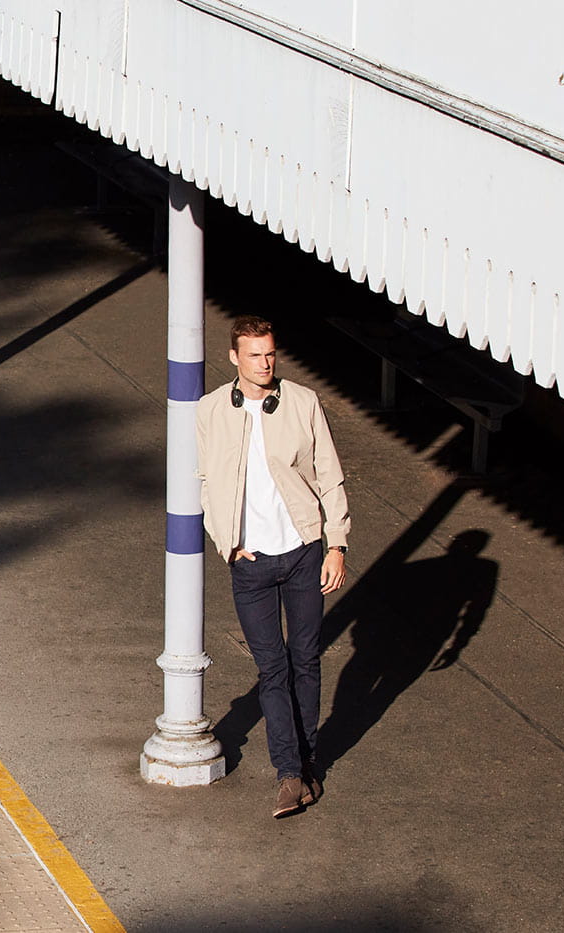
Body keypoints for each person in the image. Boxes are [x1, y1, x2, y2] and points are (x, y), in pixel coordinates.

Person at [196, 316, 351, 819]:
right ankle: (289, 775)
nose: (265, 363)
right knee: (272, 668)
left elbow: (330, 476)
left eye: (270, 353)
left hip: (305, 552)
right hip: (251, 562)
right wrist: (227, 543)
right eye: (255, 354)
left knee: (305, 661)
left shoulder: (303, 404)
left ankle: (306, 766)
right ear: (234, 358)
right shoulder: (212, 411)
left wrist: (336, 546)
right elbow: (202, 481)